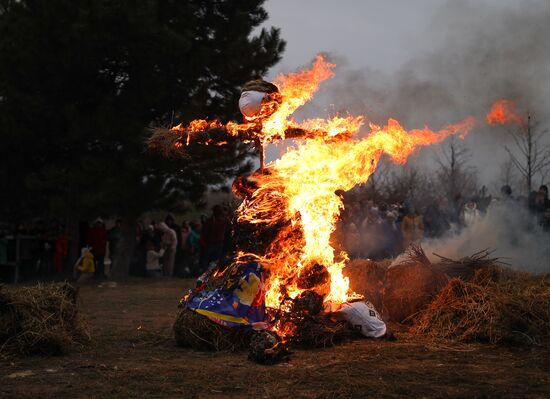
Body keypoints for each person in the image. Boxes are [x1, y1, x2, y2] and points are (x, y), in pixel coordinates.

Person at [199, 205, 229, 272]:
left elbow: (204, 233)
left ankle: (205, 273)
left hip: (211, 243)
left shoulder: (210, 221)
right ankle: (212, 274)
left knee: (206, 260)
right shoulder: (224, 221)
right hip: (217, 243)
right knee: (214, 260)